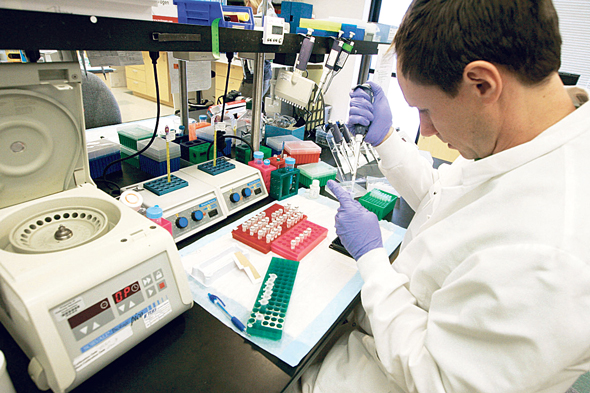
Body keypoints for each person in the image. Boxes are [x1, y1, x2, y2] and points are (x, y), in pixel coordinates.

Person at [292, 0, 590, 392]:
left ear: (482, 84)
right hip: (370, 341)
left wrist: (373, 261)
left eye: (426, 109)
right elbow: (448, 199)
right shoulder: (522, 138)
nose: (426, 130)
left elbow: (438, 381)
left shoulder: (553, 256)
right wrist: (386, 141)